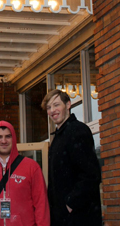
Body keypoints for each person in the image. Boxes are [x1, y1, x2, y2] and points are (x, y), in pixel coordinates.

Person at [41, 89, 102, 226]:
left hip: (78, 218)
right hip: (64, 217)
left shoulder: (77, 131)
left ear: (68, 105)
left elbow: (91, 175)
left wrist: (70, 204)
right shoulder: (59, 136)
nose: (52, 110)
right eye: (49, 107)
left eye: (56, 105)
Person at [0, 120, 50, 226]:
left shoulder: (31, 166)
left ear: (14, 138)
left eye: (8, 136)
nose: (3, 141)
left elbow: (41, 204)